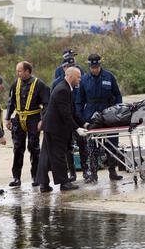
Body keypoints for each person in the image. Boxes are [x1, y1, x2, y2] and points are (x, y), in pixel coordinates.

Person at [36, 67, 88, 193]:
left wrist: (84, 124)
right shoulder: (62, 90)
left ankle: (43, 184)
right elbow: (65, 114)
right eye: (78, 77)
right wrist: (77, 129)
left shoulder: (66, 88)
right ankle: (64, 183)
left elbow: (72, 112)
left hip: (52, 127)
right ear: (70, 77)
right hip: (55, 128)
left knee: (46, 156)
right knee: (59, 156)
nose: (80, 79)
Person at [76, 54, 123, 183]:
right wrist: (81, 119)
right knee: (92, 145)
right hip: (91, 114)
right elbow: (79, 101)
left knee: (112, 143)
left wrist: (117, 111)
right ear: (89, 66)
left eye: (96, 67)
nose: (94, 69)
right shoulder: (85, 79)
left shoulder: (109, 76)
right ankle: (94, 174)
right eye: (92, 67)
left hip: (108, 113)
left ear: (100, 65)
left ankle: (112, 172)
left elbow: (117, 95)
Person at [5, 61, 50, 188]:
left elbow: (47, 104)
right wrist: (7, 118)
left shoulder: (39, 84)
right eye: (17, 71)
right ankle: (16, 177)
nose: (17, 73)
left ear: (27, 71)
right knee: (18, 148)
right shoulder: (15, 83)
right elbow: (11, 102)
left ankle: (36, 176)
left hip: (33, 118)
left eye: (19, 71)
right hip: (19, 118)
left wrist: (43, 119)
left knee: (34, 148)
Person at [53, 56, 88, 183]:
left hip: (76, 115)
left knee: (82, 143)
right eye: (68, 66)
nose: (71, 67)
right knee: (68, 148)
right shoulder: (59, 84)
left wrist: (83, 123)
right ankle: (71, 173)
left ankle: (86, 170)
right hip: (65, 121)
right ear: (64, 68)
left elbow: (77, 104)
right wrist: (77, 127)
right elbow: (61, 110)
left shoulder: (78, 80)